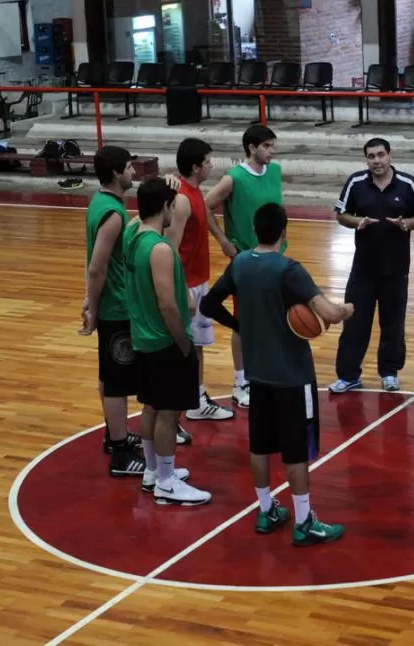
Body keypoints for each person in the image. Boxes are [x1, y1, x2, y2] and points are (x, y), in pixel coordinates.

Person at [200, 203, 355, 546]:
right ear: (284, 231)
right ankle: (303, 522)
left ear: (256, 230)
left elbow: (208, 305)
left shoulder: (240, 263)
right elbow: (327, 313)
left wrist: (240, 325)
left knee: (260, 445)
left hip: (257, 374)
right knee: (296, 450)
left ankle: (267, 509)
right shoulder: (289, 270)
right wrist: (346, 309)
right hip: (292, 376)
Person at [125, 177, 210, 506]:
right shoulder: (159, 249)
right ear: (164, 207)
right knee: (168, 414)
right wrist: (184, 344)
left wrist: (160, 186)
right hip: (165, 340)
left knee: (151, 406)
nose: (176, 209)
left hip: (142, 338)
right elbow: (168, 305)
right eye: (172, 204)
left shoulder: (133, 236)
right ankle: (166, 481)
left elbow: (139, 215)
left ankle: (151, 471)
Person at [329, 138, 414, 393]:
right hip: (362, 269)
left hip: (396, 270)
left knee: (393, 324)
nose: (376, 161)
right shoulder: (355, 182)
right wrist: (357, 222)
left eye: (381, 155)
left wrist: (408, 224)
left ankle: (389, 372)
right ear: (366, 159)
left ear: (390, 155)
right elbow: (341, 214)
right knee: (354, 322)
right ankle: (349, 375)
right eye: (371, 156)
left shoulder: (407, 184)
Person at [205, 125, 285, 409]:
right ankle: (241, 383)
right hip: (247, 262)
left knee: (273, 318)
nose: (271, 152)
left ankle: (266, 373)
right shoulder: (233, 178)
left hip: (276, 260)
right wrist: (224, 241)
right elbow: (205, 206)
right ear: (251, 148)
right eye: (266, 146)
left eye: (272, 146)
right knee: (244, 322)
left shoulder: (275, 172)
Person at [80, 145, 145, 476]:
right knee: (117, 381)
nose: (134, 172)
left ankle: (113, 434)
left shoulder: (100, 203)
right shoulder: (114, 214)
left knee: (109, 374)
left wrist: (90, 299)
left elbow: (92, 261)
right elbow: (97, 267)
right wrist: (92, 304)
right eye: (130, 168)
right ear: (118, 173)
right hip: (116, 306)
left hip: (109, 303)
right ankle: (120, 454)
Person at [167, 137, 234, 425]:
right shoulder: (181, 199)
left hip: (198, 280)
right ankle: (176, 412)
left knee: (197, 347)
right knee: (183, 348)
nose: (211, 165)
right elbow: (169, 247)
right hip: (188, 284)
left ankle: (196, 399)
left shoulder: (194, 191)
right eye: (207, 162)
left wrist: (221, 239)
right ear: (196, 167)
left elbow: (204, 213)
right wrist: (181, 288)